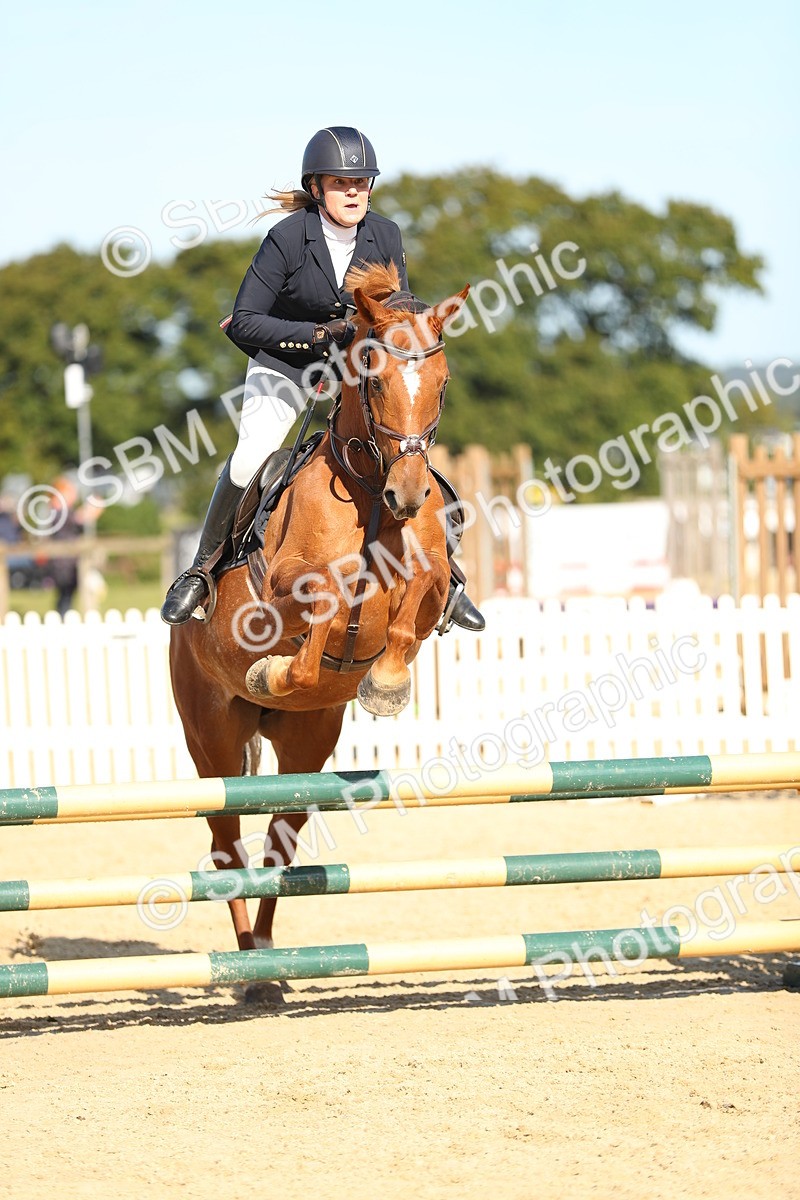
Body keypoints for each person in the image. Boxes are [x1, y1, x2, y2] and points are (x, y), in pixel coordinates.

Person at [160, 126, 484, 632]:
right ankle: (203, 570)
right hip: (286, 364)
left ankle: (448, 580)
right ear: (316, 188)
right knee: (252, 456)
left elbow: (395, 310)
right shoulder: (288, 238)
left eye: (361, 182)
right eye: (340, 182)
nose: (353, 192)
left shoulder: (386, 235)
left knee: (407, 455)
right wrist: (318, 333)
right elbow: (243, 320)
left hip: (358, 371)